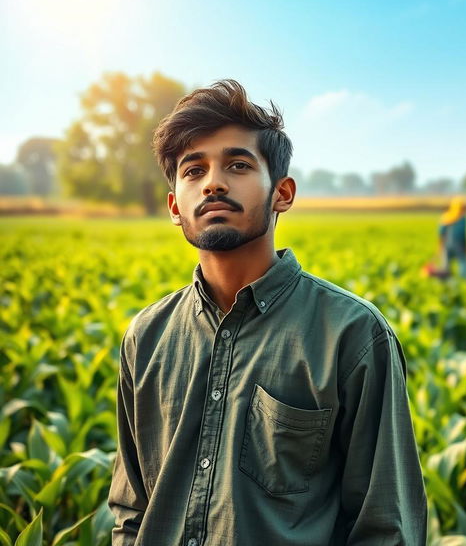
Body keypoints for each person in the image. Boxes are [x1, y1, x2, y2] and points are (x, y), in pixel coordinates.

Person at [107, 80, 427, 545]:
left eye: (237, 165)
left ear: (283, 193)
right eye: (194, 171)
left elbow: (385, 528)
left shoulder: (352, 335)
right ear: (176, 206)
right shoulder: (147, 336)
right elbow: (132, 511)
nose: (213, 181)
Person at [439, 196, 466, 278]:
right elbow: (463, 234)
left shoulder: (446, 217)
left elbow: (441, 232)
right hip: (458, 244)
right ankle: (463, 279)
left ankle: (446, 280)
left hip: (446, 244)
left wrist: (441, 245)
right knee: (463, 262)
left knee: (446, 264)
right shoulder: (462, 218)